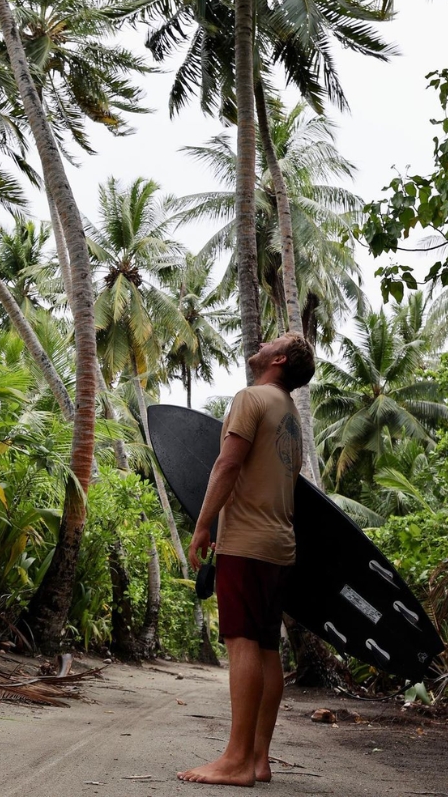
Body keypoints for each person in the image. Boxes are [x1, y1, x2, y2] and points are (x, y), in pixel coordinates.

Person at [177, 332, 315, 787]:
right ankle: (259, 759)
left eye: (272, 340)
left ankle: (236, 760)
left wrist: (202, 525)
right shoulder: (290, 414)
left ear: (278, 358)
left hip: (246, 541)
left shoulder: (251, 398)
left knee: (240, 642)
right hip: (280, 544)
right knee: (266, 646)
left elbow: (227, 464)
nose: (261, 343)